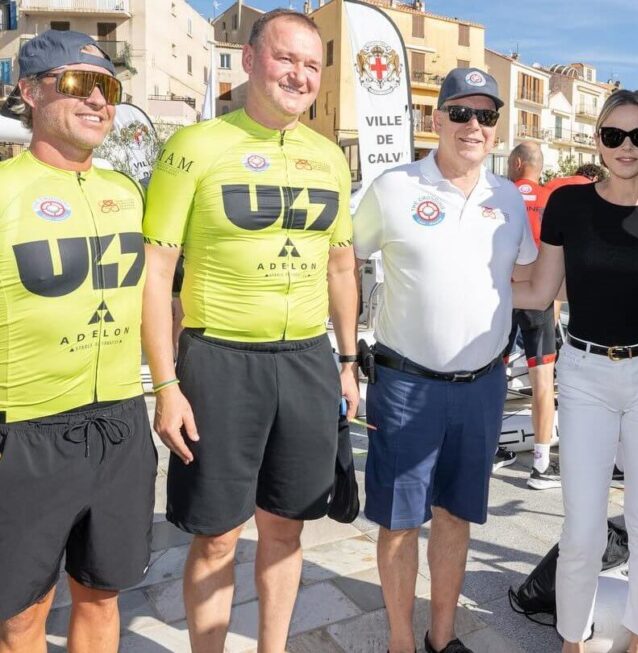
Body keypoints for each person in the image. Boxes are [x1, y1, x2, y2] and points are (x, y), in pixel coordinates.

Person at [141, 10, 359, 652]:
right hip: (219, 360)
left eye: (312, 64)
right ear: (249, 62)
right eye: (285, 59)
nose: (299, 74)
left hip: (306, 361)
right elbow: (156, 273)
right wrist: (166, 384)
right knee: (215, 535)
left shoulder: (328, 158)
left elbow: (342, 266)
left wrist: (346, 361)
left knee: (288, 527)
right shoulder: (196, 147)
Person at [514, 89, 638, 653]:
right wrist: (463, 280)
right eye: (614, 135)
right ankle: (574, 638)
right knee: (582, 526)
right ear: (597, 139)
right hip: (585, 372)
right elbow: (543, 290)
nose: (627, 146)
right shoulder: (568, 206)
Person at [353, 67, 537, 653]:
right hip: (407, 385)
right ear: (437, 118)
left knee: (457, 518)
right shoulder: (393, 187)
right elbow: (341, 262)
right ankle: (401, 642)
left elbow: (530, 278)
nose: (473, 126)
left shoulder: (507, 197)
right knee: (401, 522)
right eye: (461, 112)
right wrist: (339, 350)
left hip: (483, 386)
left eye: (486, 116)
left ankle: (443, 637)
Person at [0, 31, 155, 653]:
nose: (96, 99)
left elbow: (151, 297)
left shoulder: (125, 192)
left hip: (119, 422)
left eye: (108, 87)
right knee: (21, 616)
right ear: (30, 92)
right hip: (27, 428)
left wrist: (167, 389)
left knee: (102, 595)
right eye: (74, 83)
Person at [505, 141, 560, 489]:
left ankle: (493, 449)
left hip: (503, 293)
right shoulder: (551, 200)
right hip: (539, 296)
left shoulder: (501, 195)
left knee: (492, 373)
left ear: (519, 162)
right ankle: (540, 466)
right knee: (542, 379)